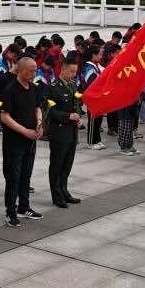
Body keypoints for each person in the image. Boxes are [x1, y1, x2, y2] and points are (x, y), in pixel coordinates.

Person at [0, 57, 43, 227]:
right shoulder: (10, 90)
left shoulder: (33, 88)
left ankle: (24, 207)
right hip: (14, 142)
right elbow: (4, 116)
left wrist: (39, 124)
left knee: (26, 175)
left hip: (30, 141)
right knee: (13, 177)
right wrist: (25, 131)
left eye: (35, 70)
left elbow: (37, 108)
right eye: (31, 70)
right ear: (21, 70)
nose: (34, 73)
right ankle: (10, 211)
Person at [46, 51, 83, 207]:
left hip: (72, 132)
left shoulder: (72, 85)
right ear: (63, 69)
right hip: (59, 132)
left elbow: (75, 105)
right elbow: (50, 111)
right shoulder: (53, 88)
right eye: (71, 71)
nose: (74, 75)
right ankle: (56, 195)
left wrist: (78, 116)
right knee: (57, 165)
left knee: (67, 164)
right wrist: (68, 116)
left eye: (75, 72)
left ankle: (64, 190)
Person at [79, 45, 103, 150]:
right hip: (92, 97)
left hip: (98, 97)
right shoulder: (89, 68)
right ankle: (91, 141)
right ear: (93, 55)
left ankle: (97, 140)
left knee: (98, 119)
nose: (101, 56)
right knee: (93, 119)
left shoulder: (95, 66)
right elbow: (91, 84)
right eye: (100, 54)